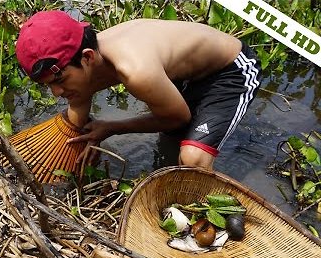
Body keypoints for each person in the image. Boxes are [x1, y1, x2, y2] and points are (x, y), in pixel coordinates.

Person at [15, 10, 261, 169]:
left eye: (60, 81)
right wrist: (73, 147)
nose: (57, 92)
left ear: (87, 57)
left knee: (192, 161)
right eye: (49, 85)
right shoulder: (81, 62)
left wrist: (111, 127)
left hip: (229, 70)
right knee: (170, 146)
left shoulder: (135, 70)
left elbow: (177, 118)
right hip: (179, 74)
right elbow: (77, 111)